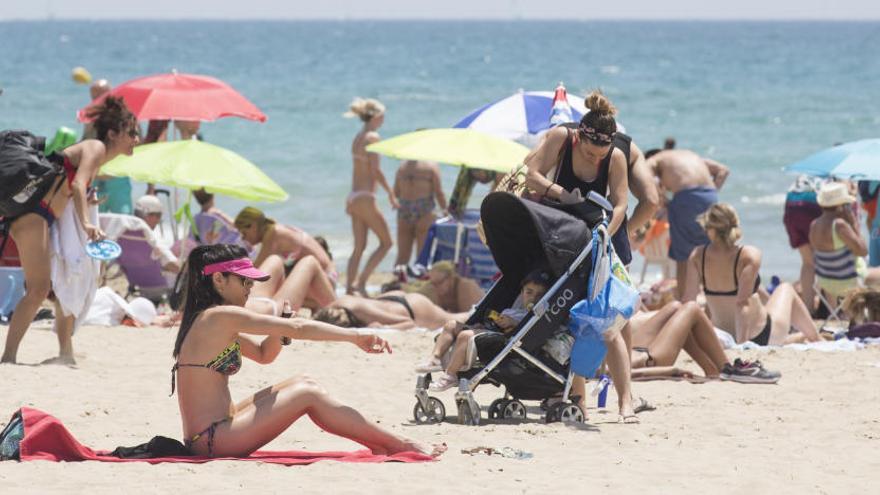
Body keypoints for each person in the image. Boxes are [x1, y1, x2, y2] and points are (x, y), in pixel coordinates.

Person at [171, 244, 442, 458]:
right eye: (245, 282)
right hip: (212, 440)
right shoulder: (219, 317)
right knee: (307, 393)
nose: (250, 289)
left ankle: (382, 443)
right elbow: (300, 328)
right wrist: (354, 336)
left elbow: (265, 355)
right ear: (219, 279)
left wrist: (281, 326)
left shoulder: (209, 321)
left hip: (215, 432)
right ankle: (398, 443)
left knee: (304, 382)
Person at [522, 89, 636, 422]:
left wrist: (607, 232)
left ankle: (626, 400)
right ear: (579, 138)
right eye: (589, 152)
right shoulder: (562, 137)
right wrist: (562, 194)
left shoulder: (615, 157)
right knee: (564, 318)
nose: (596, 158)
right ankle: (576, 398)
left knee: (608, 321)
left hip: (598, 235)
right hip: (559, 232)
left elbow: (621, 204)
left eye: (602, 154)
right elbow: (532, 174)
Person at [1, 96, 139, 364]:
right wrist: (87, 223)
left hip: (41, 216)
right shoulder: (96, 147)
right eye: (131, 133)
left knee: (62, 282)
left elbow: (72, 186)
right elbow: (76, 185)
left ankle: (64, 352)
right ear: (113, 133)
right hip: (33, 216)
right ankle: (8, 357)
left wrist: (88, 200)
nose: (137, 139)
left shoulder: (97, 155)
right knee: (38, 290)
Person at [684, 203, 821, 345]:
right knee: (786, 288)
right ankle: (816, 338)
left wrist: (687, 336)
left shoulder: (697, 255)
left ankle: (801, 337)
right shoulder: (748, 254)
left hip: (722, 335)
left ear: (709, 229)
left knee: (763, 300)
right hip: (758, 336)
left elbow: (689, 300)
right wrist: (742, 345)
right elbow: (742, 303)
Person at [423, 268, 551, 391]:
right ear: (522, 293)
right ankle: (435, 359)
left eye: (539, 295)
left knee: (465, 335)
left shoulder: (534, 316)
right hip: (488, 329)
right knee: (451, 325)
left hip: (503, 340)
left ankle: (450, 375)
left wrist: (512, 323)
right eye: (529, 292)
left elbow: (525, 331)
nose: (533, 298)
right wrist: (480, 325)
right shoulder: (512, 310)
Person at [645, 148, 729, 299]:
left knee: (682, 256)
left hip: (686, 198)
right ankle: (716, 299)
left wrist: (662, 199)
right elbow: (723, 170)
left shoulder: (655, 160)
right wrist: (710, 193)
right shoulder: (690, 156)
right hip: (710, 197)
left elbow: (645, 175)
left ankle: (683, 301)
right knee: (710, 250)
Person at [627, 301, 780, 383]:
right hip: (648, 361)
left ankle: (711, 370)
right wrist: (669, 371)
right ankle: (727, 368)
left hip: (634, 350)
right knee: (692, 308)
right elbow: (621, 374)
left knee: (675, 307)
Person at [344, 97, 398, 295]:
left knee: (359, 246)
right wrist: (391, 193)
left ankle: (349, 289)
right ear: (376, 116)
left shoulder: (358, 137)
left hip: (353, 195)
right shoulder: (373, 137)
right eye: (382, 116)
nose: (383, 120)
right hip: (366, 196)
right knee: (387, 243)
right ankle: (361, 283)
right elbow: (376, 171)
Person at [809, 182, 880, 309]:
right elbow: (863, 251)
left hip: (825, 282)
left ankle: (840, 313)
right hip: (849, 281)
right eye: (846, 204)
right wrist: (854, 224)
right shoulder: (839, 225)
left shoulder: (814, 225)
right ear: (839, 205)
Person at [234, 207, 336, 283]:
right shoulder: (278, 229)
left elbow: (256, 270)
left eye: (244, 233)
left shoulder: (273, 234)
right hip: (330, 277)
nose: (243, 238)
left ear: (253, 226)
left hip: (326, 279)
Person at [85, 80, 133, 215]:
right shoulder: (91, 117)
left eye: (99, 96)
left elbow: (136, 143)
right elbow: (85, 144)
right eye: (93, 97)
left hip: (117, 177)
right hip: (96, 176)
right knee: (95, 220)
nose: (96, 100)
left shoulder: (124, 115)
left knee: (124, 219)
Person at [783, 175, 830, 311]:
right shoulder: (835, 171)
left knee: (808, 262)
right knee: (828, 259)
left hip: (792, 202)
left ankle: (808, 309)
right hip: (816, 201)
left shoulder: (806, 171)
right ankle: (831, 306)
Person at [314, 291, 470, 331]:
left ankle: (478, 310)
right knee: (452, 315)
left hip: (414, 309)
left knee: (458, 318)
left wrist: (384, 327)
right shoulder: (337, 304)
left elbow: (408, 323)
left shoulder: (361, 311)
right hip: (391, 300)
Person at [393, 160, 447, 268]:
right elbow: (438, 192)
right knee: (421, 256)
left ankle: (398, 277)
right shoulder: (431, 165)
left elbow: (396, 192)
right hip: (424, 209)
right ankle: (419, 277)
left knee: (402, 257)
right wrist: (446, 212)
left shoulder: (402, 167)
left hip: (404, 208)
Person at [418, 261, 485, 313]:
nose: (436, 287)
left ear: (450, 278)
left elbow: (469, 317)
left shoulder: (466, 287)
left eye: (440, 282)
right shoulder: (442, 291)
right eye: (433, 284)